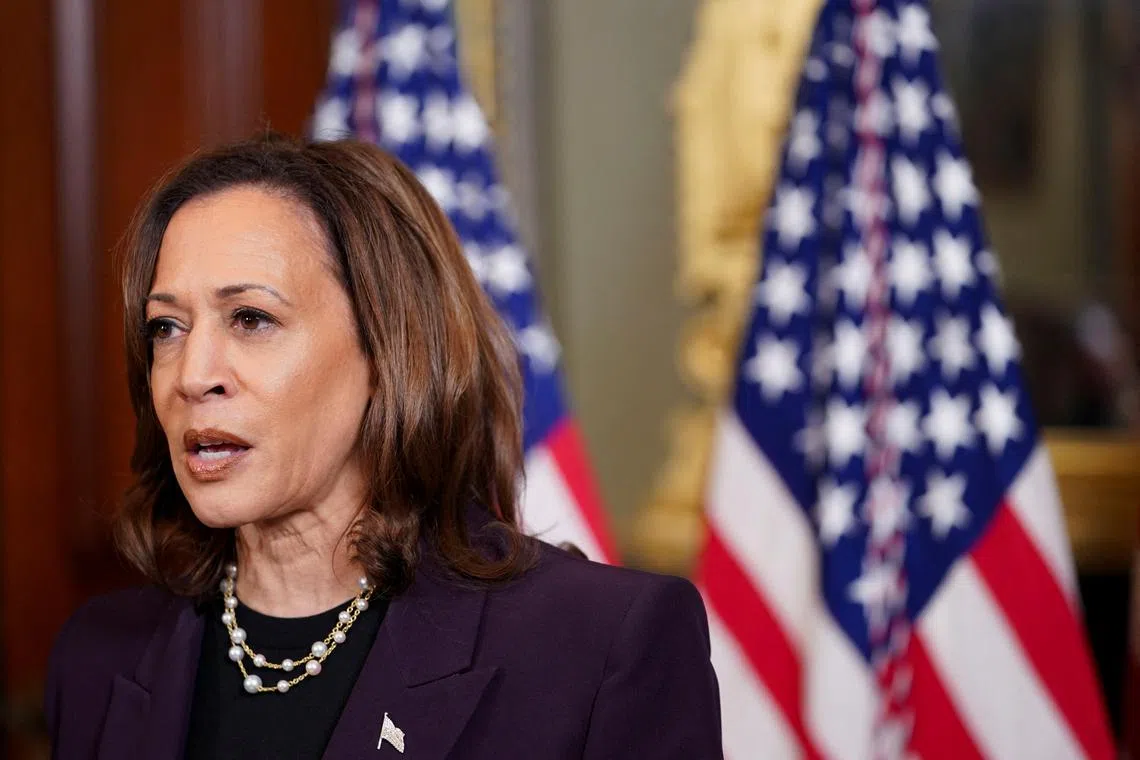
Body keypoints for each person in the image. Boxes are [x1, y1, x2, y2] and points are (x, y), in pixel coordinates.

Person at [43, 134, 723, 759]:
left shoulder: (598, 647)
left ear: (386, 349)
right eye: (167, 328)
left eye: (251, 319)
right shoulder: (100, 657)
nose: (193, 375)